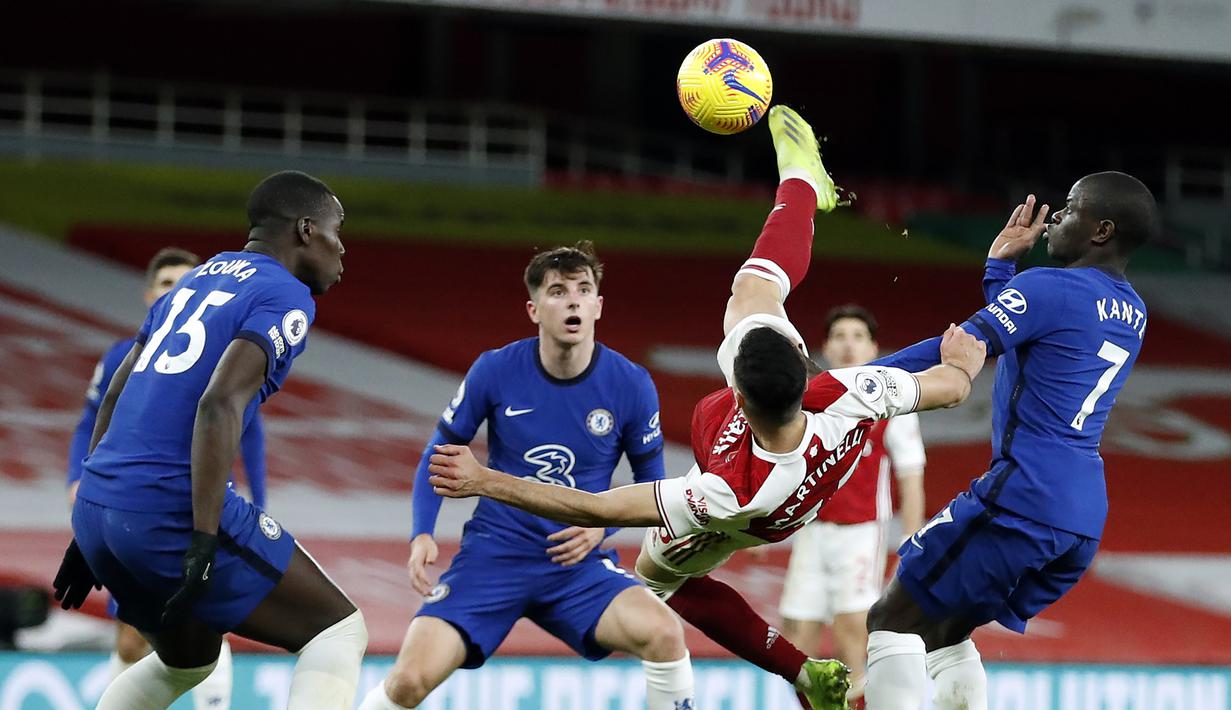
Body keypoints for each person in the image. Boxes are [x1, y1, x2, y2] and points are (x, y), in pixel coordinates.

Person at [425, 105, 988, 710]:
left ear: (737, 394)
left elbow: (591, 505)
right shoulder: (845, 394)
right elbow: (950, 385)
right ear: (805, 365)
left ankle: (799, 185)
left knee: (657, 579)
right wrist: (966, 358)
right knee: (757, 291)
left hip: (749, 513)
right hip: (802, 487)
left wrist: (485, 480)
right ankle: (801, 181)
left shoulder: (722, 489)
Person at [52, 170, 368, 710]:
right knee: (339, 632)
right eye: (339, 232)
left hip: (101, 506)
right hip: (167, 511)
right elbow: (220, 402)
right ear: (306, 229)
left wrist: (87, 528)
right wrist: (204, 536)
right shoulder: (285, 294)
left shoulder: (197, 279)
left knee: (187, 661)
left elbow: (115, 395)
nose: (343, 251)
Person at [861, 176, 1159, 710]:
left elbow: (961, 346)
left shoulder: (1052, 287)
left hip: (1022, 498)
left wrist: (847, 381)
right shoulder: (1132, 311)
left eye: (1069, 210)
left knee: (890, 621)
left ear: (1102, 229)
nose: (1055, 219)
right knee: (943, 633)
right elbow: (1027, 332)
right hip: (1080, 517)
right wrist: (1000, 271)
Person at [359, 242, 695, 710]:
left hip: (576, 567)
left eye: (583, 290)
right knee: (409, 681)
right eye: (558, 291)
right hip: (495, 556)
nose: (573, 300)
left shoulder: (631, 384)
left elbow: (654, 489)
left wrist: (604, 527)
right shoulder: (496, 369)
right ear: (534, 309)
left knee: (664, 634)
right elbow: (440, 452)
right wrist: (421, 534)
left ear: (598, 306)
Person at [65, 247, 270, 709]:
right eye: (165, 284)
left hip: (196, 501)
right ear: (149, 295)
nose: (177, 290)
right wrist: (79, 479)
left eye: (186, 282)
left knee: (208, 612)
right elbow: (91, 418)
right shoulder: (123, 355)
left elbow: (251, 430)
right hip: (132, 503)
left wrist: (259, 496)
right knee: (132, 640)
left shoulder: (228, 354)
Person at [778, 305, 926, 707]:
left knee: (850, 637)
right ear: (824, 346)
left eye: (858, 337)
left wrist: (911, 545)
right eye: (839, 336)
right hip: (811, 533)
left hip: (861, 536)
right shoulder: (810, 400)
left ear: (873, 347)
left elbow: (910, 478)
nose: (848, 345)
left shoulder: (891, 404)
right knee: (797, 646)